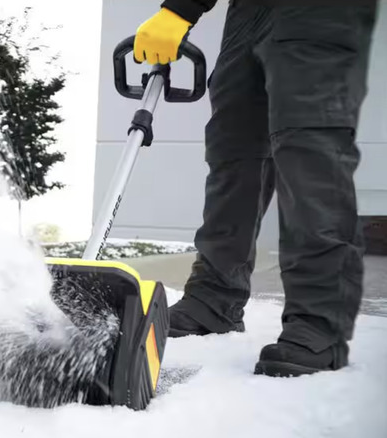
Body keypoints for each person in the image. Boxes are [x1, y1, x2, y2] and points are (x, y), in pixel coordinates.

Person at [133, 0, 377, 377]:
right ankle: (215, 298)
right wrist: (181, 10)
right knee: (233, 145)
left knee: (309, 146)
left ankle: (319, 320)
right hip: (247, 10)